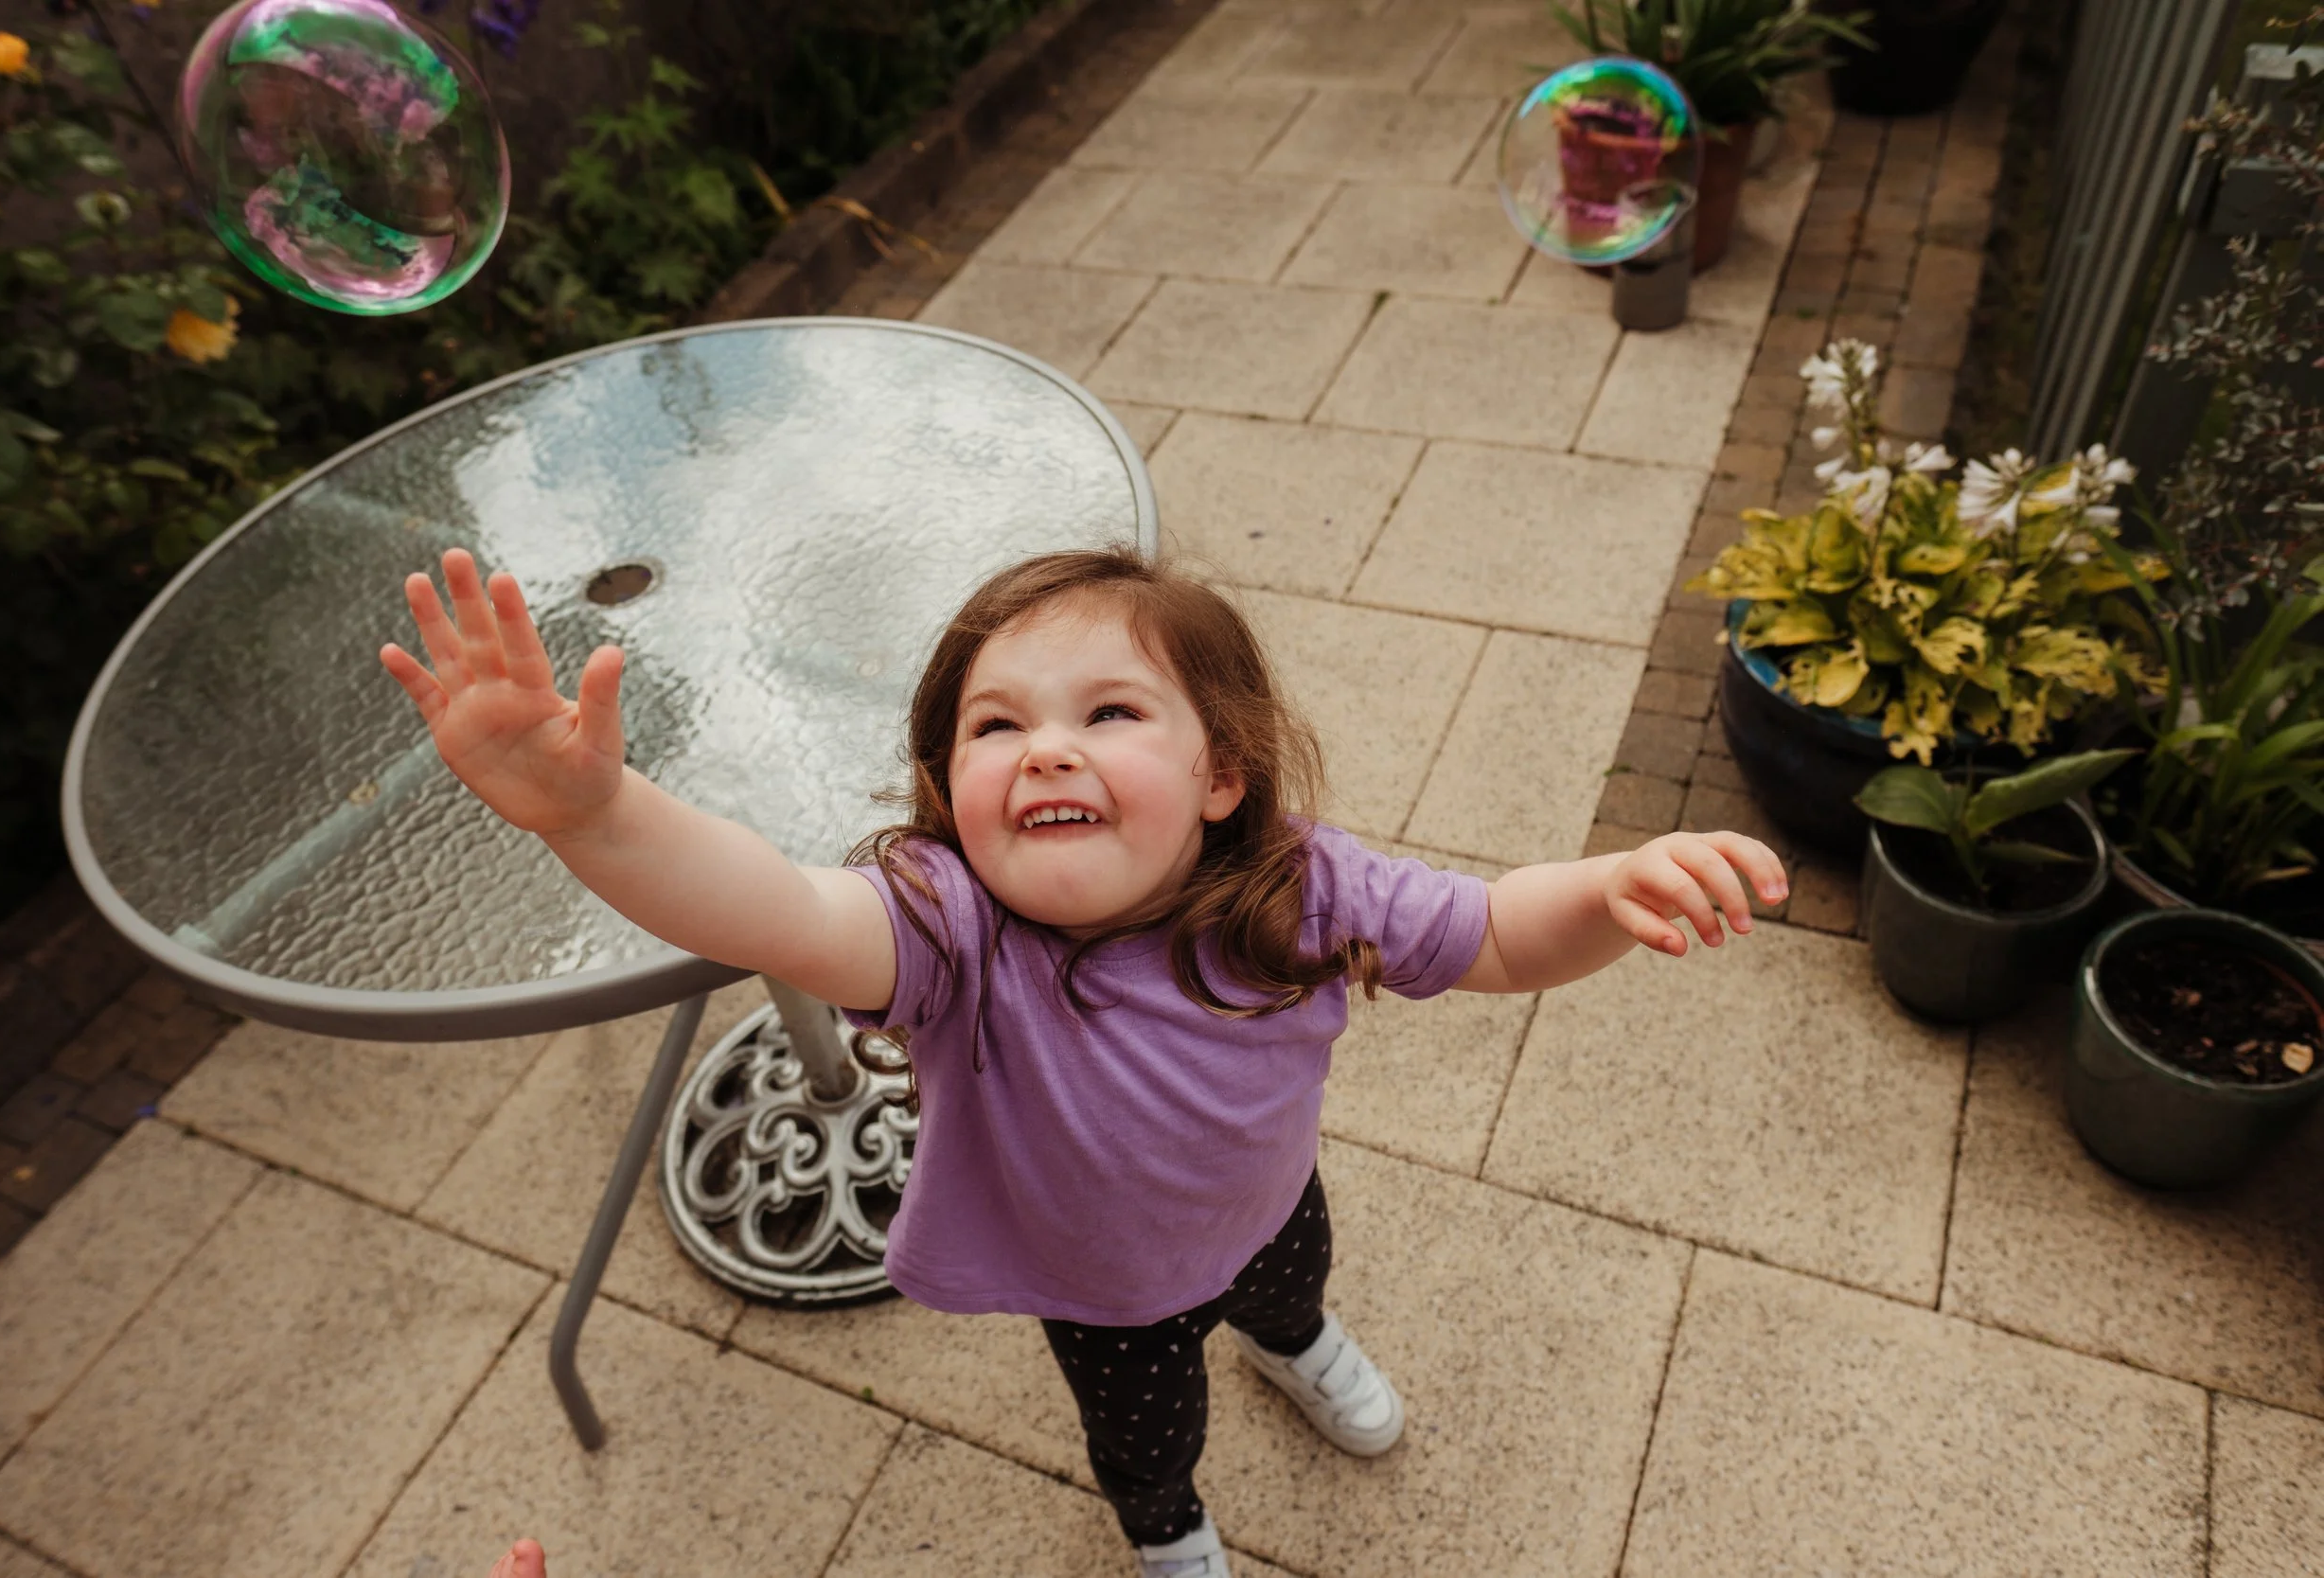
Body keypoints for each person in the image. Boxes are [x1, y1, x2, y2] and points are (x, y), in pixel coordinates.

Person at [382, 545, 1785, 1578]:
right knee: (1143, 1429)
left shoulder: (1296, 885)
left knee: (1293, 1280)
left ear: (1221, 775)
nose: (1047, 746)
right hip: (1100, 1284)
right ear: (951, 797)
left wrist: (1605, 895)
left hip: (1266, 1197)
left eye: (1109, 712)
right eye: (996, 727)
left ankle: (1293, 1341)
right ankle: (1167, 1528)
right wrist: (597, 815)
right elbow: (775, 910)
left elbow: (1491, 933)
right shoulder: (946, 930)